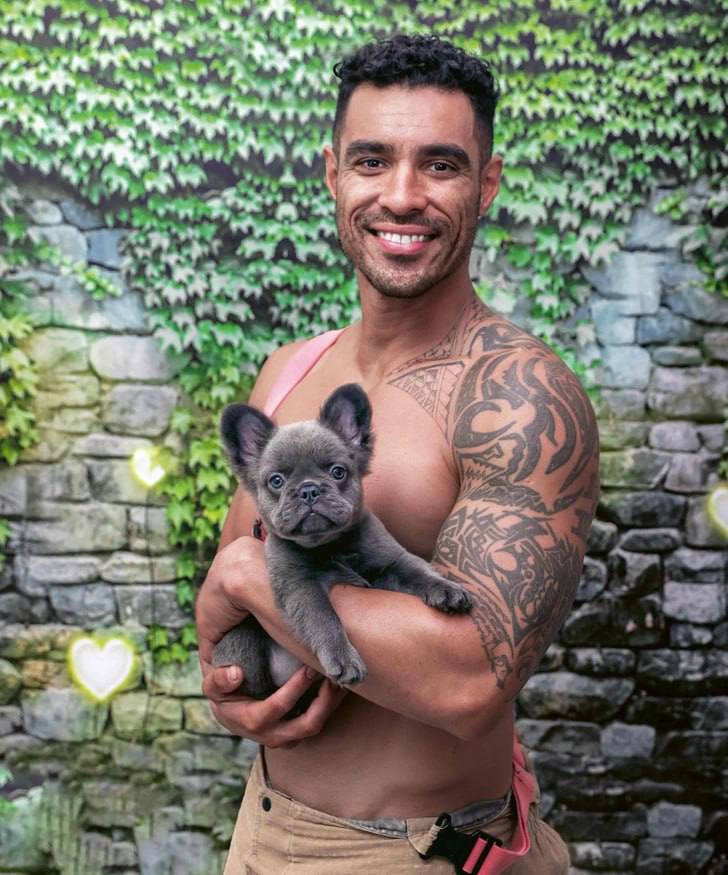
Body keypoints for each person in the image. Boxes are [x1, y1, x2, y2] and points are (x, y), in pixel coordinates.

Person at [196, 34, 599, 874]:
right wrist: (231, 690)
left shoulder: (519, 397)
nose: (402, 196)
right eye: (372, 160)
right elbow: (238, 618)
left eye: (441, 165)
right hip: (260, 830)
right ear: (332, 172)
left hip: (416, 852)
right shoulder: (289, 371)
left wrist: (242, 576)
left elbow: (468, 680)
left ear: (488, 182)